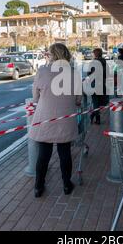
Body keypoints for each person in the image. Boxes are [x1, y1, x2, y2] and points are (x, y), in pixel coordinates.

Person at [29, 43, 81, 198]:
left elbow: (35, 97)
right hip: (65, 119)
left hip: (45, 118)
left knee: (43, 154)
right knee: (65, 153)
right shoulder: (73, 73)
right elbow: (78, 99)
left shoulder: (43, 71)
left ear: (52, 55)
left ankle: (38, 186)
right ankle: (66, 184)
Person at [88, 48, 109, 124]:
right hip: (102, 83)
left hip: (94, 84)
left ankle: (96, 117)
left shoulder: (93, 62)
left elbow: (88, 73)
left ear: (95, 54)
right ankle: (95, 116)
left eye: (93, 53)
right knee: (101, 101)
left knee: (95, 102)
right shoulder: (104, 62)